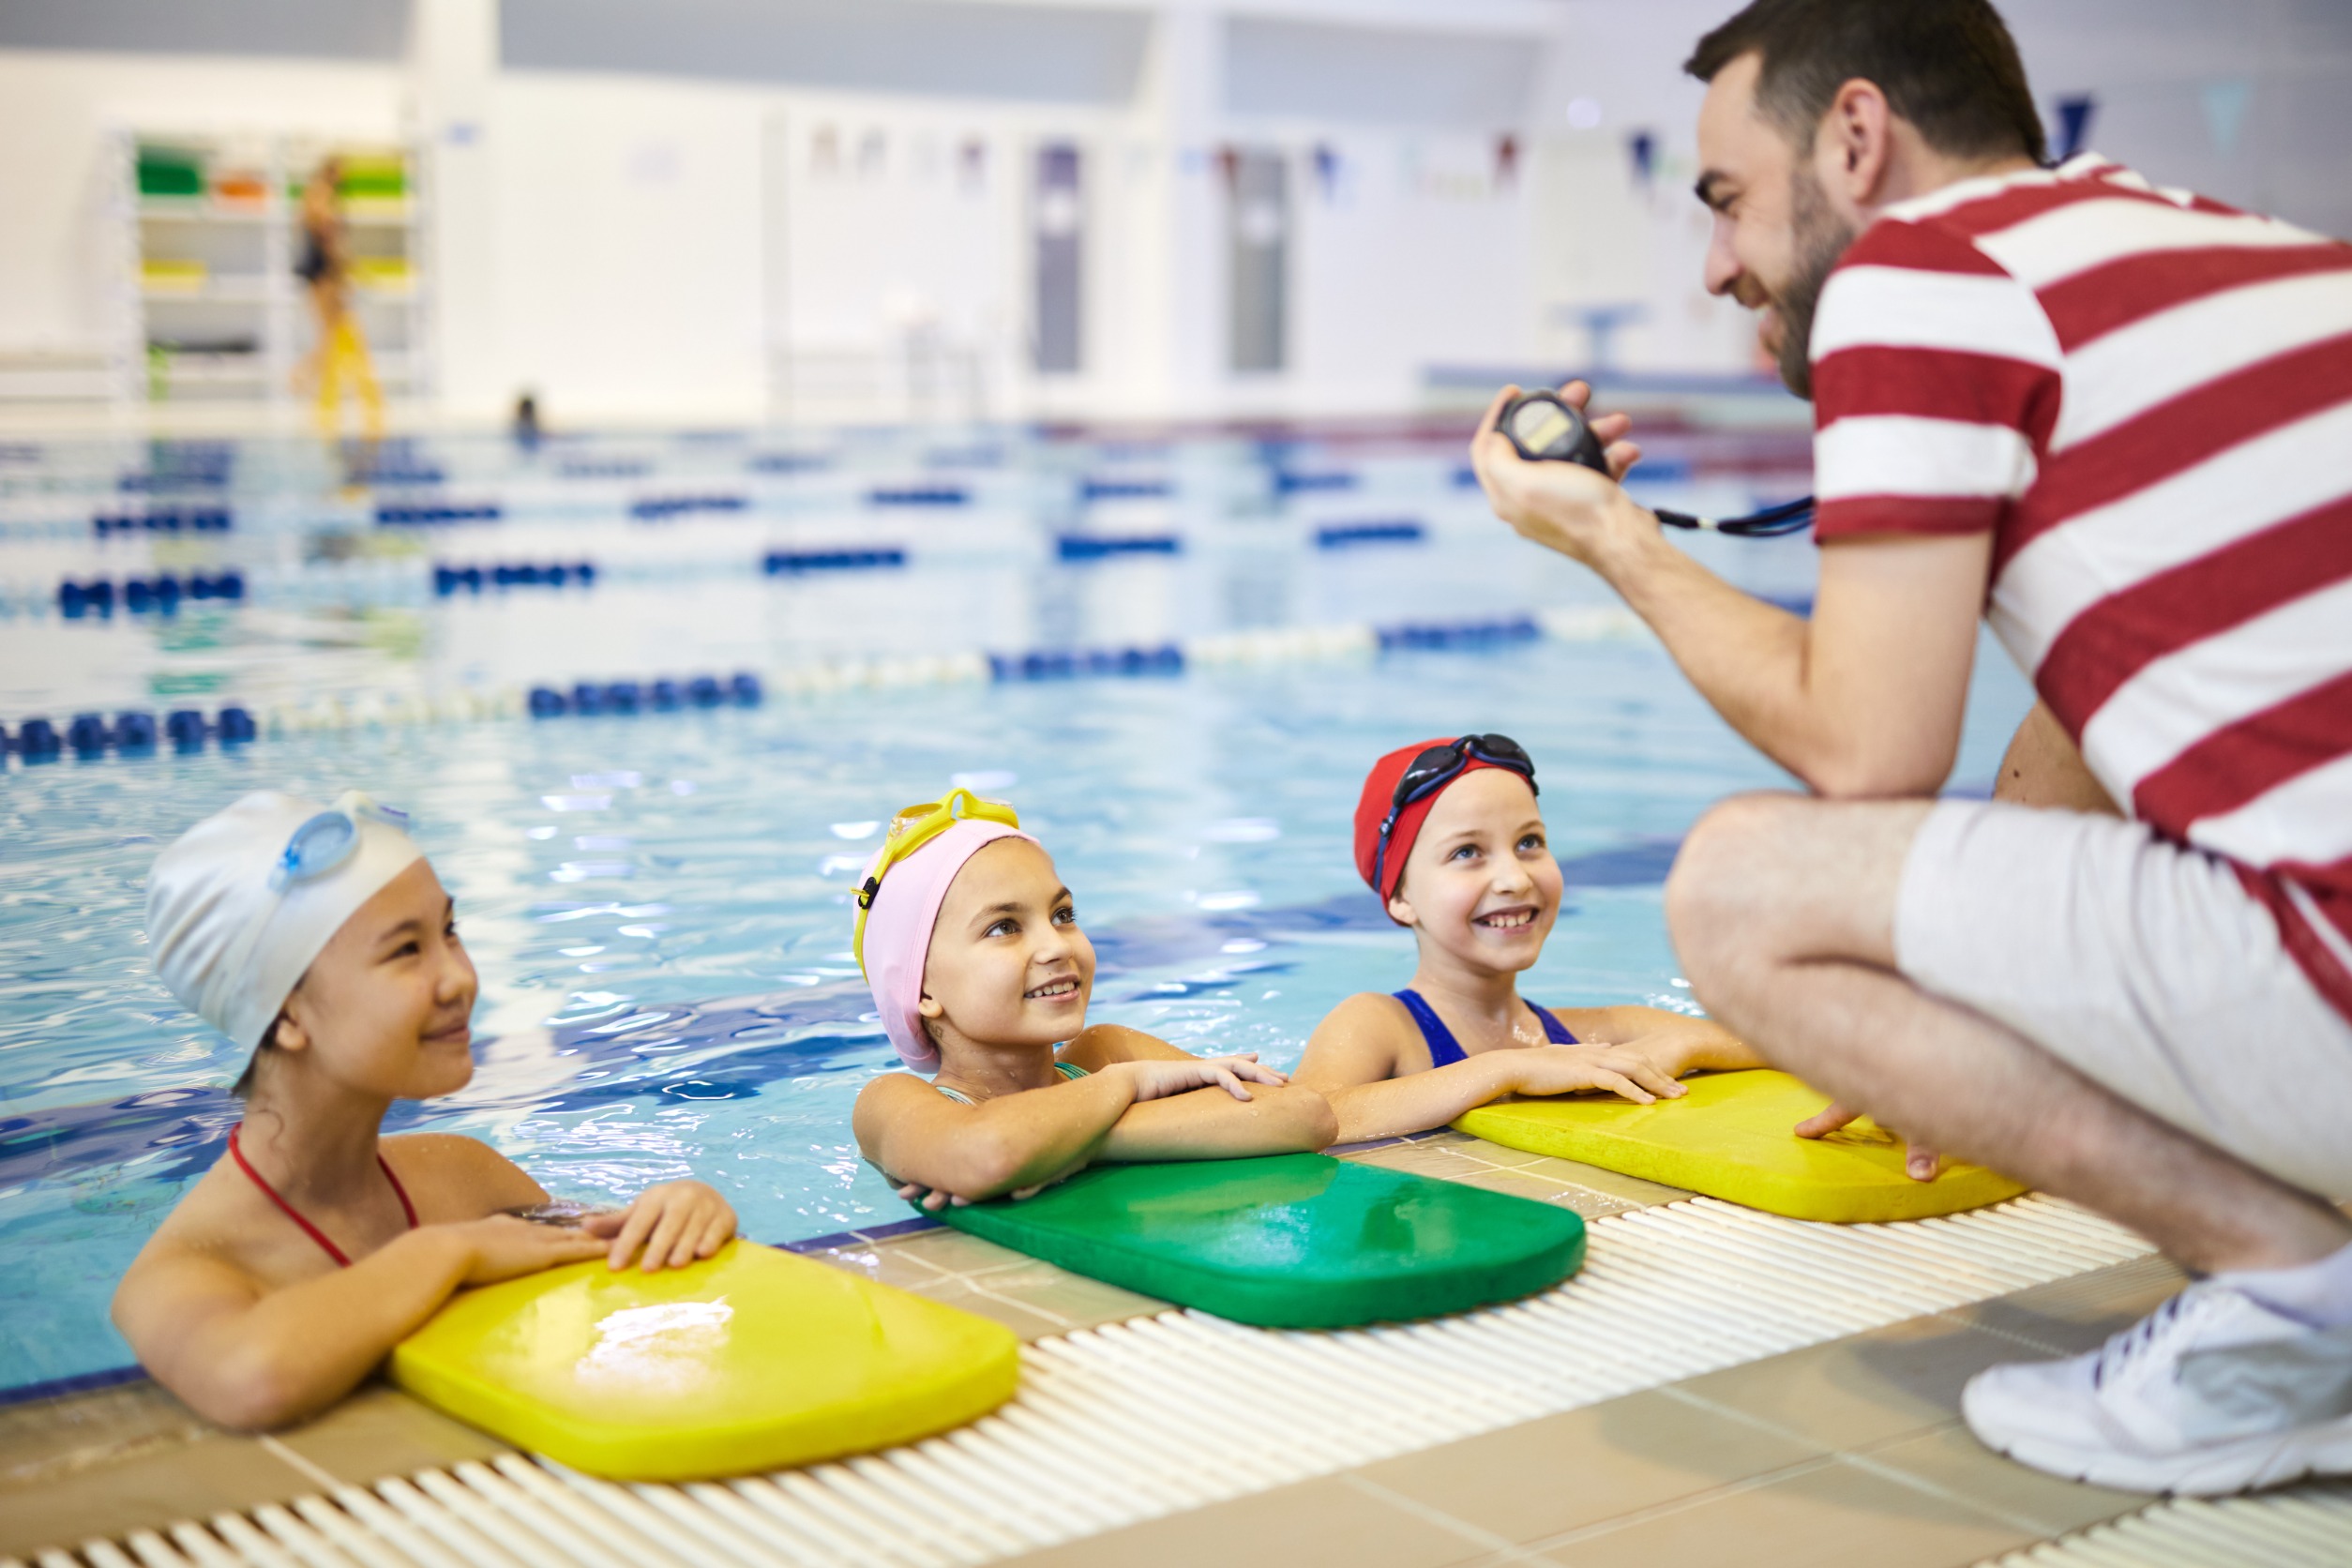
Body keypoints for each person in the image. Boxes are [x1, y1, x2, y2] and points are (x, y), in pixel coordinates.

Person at [1469, 0, 2352, 1497]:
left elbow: (1864, 751)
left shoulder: (1924, 278)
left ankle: (2296, 1305)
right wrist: (1945, 1025)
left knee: (1742, 884)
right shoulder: (2232, 245)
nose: (1717, 264)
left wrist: (1609, 534)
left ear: (1858, 139)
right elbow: (2093, 708)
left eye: (1729, 199)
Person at [113, 792, 737, 1431]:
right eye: (405, 951)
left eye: (448, 932)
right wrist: (447, 1251)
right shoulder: (185, 1272)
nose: (460, 978)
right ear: (288, 1014)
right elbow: (250, 1380)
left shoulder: (467, 1176)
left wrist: (676, 1214)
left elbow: (607, 1258)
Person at [850, 792, 1337, 1209]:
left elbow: (1303, 1115)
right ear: (922, 991)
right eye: (1004, 927)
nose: (1059, 946)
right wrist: (1128, 1084)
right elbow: (986, 1155)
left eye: (1063, 914)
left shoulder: (1102, 1053)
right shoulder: (890, 1102)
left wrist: (1072, 1144)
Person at [1293, 735, 1760, 1144]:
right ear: (1400, 898)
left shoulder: (1590, 1033)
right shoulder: (1380, 1025)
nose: (1514, 879)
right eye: (1467, 852)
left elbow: (1774, 1043)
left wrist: (1685, 1046)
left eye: (1529, 842)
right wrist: (1507, 1068)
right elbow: (1301, 1118)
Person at [294, 156, 384, 435]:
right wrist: (347, 272)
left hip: (320, 271)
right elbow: (330, 241)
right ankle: (303, 375)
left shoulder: (312, 196)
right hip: (325, 274)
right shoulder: (322, 198)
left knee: (334, 333)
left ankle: (310, 381)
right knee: (331, 334)